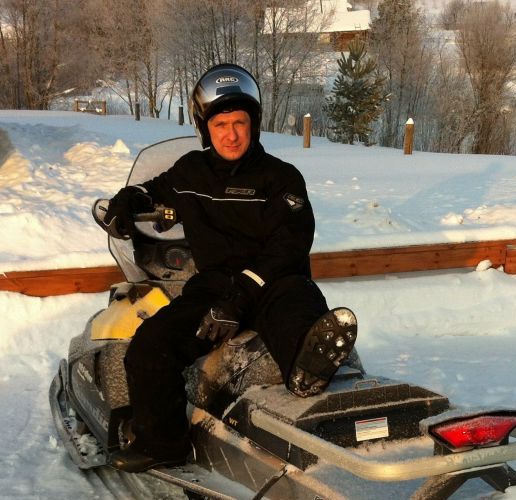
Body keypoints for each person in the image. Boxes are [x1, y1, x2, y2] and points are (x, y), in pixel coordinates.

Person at [103, 63, 357, 474]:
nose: (232, 134)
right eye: (221, 124)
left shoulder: (281, 178)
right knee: (150, 346)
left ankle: (308, 368)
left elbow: (288, 246)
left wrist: (240, 299)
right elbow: (152, 190)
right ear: (205, 128)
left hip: (274, 283)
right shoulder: (190, 171)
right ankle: (162, 443)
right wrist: (127, 199)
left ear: (254, 123)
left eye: (240, 122)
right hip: (212, 289)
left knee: (297, 313)